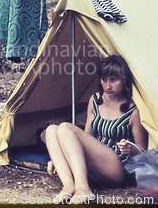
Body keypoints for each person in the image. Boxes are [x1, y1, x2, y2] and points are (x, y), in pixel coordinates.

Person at [45, 55, 148, 204]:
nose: (108, 85)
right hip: (95, 162)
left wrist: (129, 148)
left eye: (113, 79)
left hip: (117, 166)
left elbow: (143, 152)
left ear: (124, 80)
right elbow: (86, 137)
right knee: (52, 129)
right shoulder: (95, 100)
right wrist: (58, 157)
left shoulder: (132, 110)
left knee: (65, 128)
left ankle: (83, 189)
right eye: (104, 79)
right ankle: (69, 186)